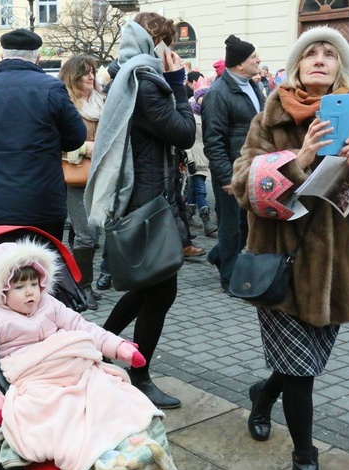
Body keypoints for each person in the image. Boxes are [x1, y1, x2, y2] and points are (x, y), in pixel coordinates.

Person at [231, 27, 349, 470]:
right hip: (280, 263)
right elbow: (244, 187)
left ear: (340, 67)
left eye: (330, 53)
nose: (320, 58)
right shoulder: (271, 115)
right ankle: (305, 461)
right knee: (301, 370)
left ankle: (263, 395)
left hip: (335, 269)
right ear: (297, 64)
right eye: (311, 52)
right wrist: (297, 160)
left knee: (301, 364)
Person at [0, 239, 177, 470]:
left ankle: (130, 444)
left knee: (110, 392)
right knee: (60, 413)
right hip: (35, 377)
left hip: (72, 366)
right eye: (19, 286)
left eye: (33, 284)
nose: (30, 292)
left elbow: (82, 327)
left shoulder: (48, 303)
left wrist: (119, 347)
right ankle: (99, 463)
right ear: (1, 290)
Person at [84, 13, 196, 409]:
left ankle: (95, 348)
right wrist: (180, 87)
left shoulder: (128, 76)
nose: (173, 53)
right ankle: (139, 373)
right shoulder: (146, 83)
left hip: (145, 197)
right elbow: (184, 132)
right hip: (148, 203)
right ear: (158, 44)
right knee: (160, 292)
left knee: (147, 288)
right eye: (169, 44)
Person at [0, 28, 86, 241]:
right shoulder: (51, 88)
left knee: (2, 267)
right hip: (43, 200)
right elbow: (76, 138)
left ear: (2, 55)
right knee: (44, 267)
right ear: (38, 58)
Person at [202, 34, 265, 293]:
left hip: (253, 167)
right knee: (230, 226)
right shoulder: (218, 93)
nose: (258, 60)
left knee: (245, 224)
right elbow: (213, 140)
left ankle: (219, 255)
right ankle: (228, 278)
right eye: (253, 57)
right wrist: (226, 177)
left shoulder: (253, 85)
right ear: (239, 64)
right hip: (231, 170)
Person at [58, 55, 104, 309]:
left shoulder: (100, 101)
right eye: (85, 72)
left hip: (99, 176)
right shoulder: (66, 104)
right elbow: (56, 143)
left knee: (86, 234)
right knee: (86, 235)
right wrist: (87, 148)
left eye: (93, 72)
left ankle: (77, 283)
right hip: (74, 176)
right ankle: (84, 286)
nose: (91, 76)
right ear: (73, 76)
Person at [187, 87, 217, 236]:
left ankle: (188, 214)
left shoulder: (209, 114)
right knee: (200, 189)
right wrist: (190, 159)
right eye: (202, 96)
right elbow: (186, 140)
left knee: (194, 188)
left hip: (206, 157)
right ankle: (207, 222)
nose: (205, 99)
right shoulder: (190, 115)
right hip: (194, 157)